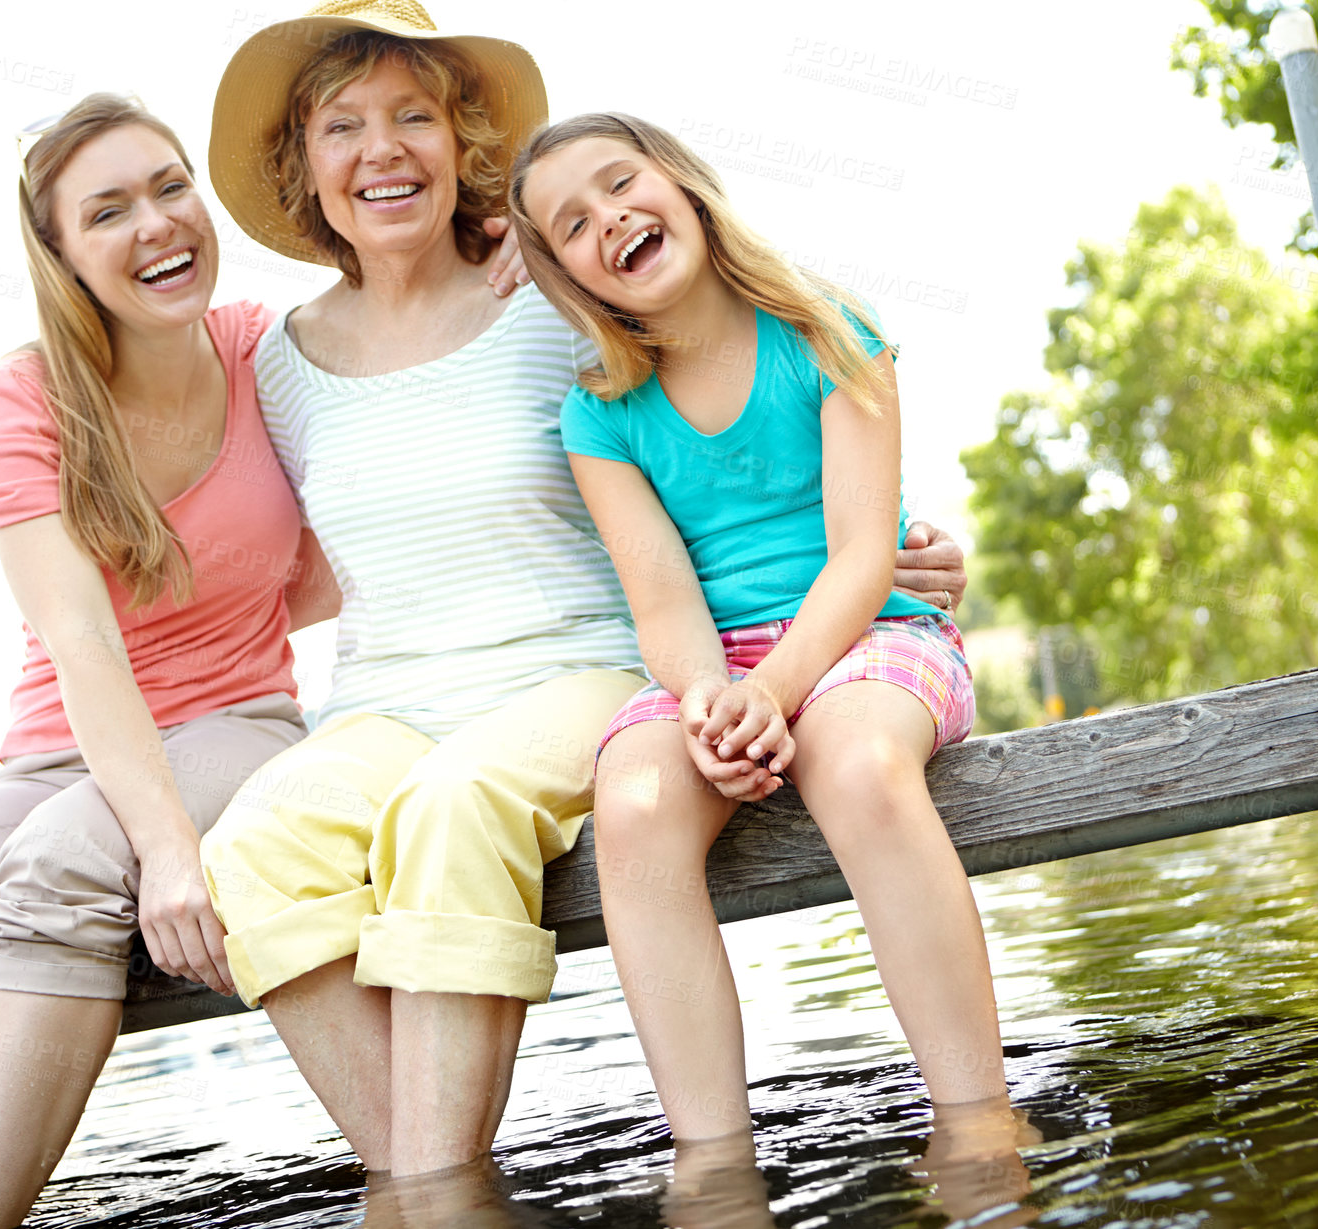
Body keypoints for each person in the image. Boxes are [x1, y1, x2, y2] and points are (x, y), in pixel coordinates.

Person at [199, 0, 975, 1179]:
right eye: (343, 125)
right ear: (304, 166)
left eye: (415, 115)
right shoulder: (273, 359)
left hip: (586, 669)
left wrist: (900, 551)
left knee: (456, 806)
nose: (382, 148)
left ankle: (444, 1190)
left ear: (463, 141)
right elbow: (270, 557)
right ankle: (433, 1181)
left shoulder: (556, 311)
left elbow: (757, 429)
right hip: (432, 692)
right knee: (252, 842)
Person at [0, 94, 337, 1229]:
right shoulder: (20, 396)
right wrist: (159, 844)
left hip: (237, 721)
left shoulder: (267, 350)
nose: (157, 223)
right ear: (59, 254)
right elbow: (81, 639)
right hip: (61, 743)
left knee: (61, 865)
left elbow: (384, 474)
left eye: (169, 186)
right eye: (109, 210)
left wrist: (496, 262)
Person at [509, 112, 1015, 1143]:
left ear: (682, 187)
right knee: (636, 802)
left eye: (620, 185)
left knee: (858, 760)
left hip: (871, 627)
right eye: (571, 223)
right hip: (718, 663)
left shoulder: (826, 328)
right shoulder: (599, 413)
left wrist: (772, 693)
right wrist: (709, 704)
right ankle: (714, 1159)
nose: (609, 219)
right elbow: (663, 604)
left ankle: (977, 1116)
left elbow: (866, 555)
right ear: (568, 275)